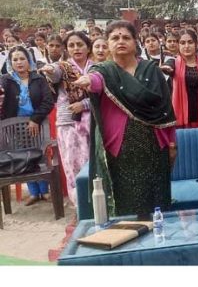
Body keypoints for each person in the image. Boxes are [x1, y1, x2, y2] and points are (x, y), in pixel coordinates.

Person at [75, 21, 177, 218]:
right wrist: (88, 80)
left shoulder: (151, 69)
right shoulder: (104, 70)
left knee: (157, 202)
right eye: (115, 38)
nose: (120, 41)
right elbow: (95, 80)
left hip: (154, 146)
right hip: (120, 149)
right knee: (127, 204)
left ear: (135, 41)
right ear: (108, 43)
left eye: (125, 37)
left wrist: (172, 143)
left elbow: (165, 109)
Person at [39, 32, 93, 205]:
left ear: (88, 47)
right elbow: (54, 73)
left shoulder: (96, 68)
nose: (76, 48)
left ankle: (99, 204)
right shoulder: (63, 67)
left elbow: (104, 96)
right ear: (66, 49)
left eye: (80, 44)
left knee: (95, 164)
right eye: (71, 45)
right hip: (69, 124)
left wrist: (84, 104)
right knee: (74, 166)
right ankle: (80, 206)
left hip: (96, 122)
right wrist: (49, 71)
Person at [0, 46, 55, 205]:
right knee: (21, 155)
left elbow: (48, 102)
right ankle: (33, 192)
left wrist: (36, 119)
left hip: (36, 123)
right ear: (10, 62)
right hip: (14, 127)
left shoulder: (39, 79)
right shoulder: (6, 80)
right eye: (15, 59)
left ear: (29, 60)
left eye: (22, 58)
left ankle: (44, 191)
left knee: (40, 153)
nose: (19, 62)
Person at [170, 29, 198, 128]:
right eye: (182, 43)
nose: (186, 46)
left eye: (190, 42)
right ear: (178, 45)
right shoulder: (172, 65)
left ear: (196, 44)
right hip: (182, 116)